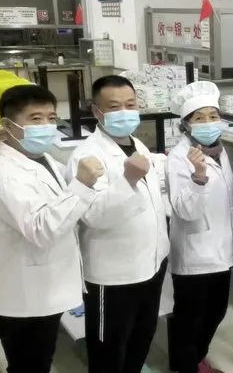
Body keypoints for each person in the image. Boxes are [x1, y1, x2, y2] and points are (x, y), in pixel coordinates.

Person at [0, 85, 103, 372]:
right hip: (22, 297)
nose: (46, 126)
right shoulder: (6, 175)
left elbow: (61, 206)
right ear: (7, 125)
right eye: (35, 119)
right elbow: (41, 229)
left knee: (41, 358)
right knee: (29, 365)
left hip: (42, 288)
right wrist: (82, 185)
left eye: (51, 118)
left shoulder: (41, 159)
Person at [66, 75, 170, 373]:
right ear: (96, 111)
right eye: (114, 107)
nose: (125, 112)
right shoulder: (85, 156)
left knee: (142, 336)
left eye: (130, 104)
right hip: (113, 276)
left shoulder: (137, 144)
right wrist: (129, 180)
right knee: (109, 350)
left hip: (151, 265)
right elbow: (93, 216)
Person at [166, 81, 233, 373]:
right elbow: (185, 210)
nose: (208, 123)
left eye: (213, 116)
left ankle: (196, 358)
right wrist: (198, 177)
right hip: (194, 253)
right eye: (199, 117)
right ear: (186, 125)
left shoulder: (219, 151)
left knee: (216, 312)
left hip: (221, 250)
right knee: (190, 318)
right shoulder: (178, 158)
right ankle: (187, 365)